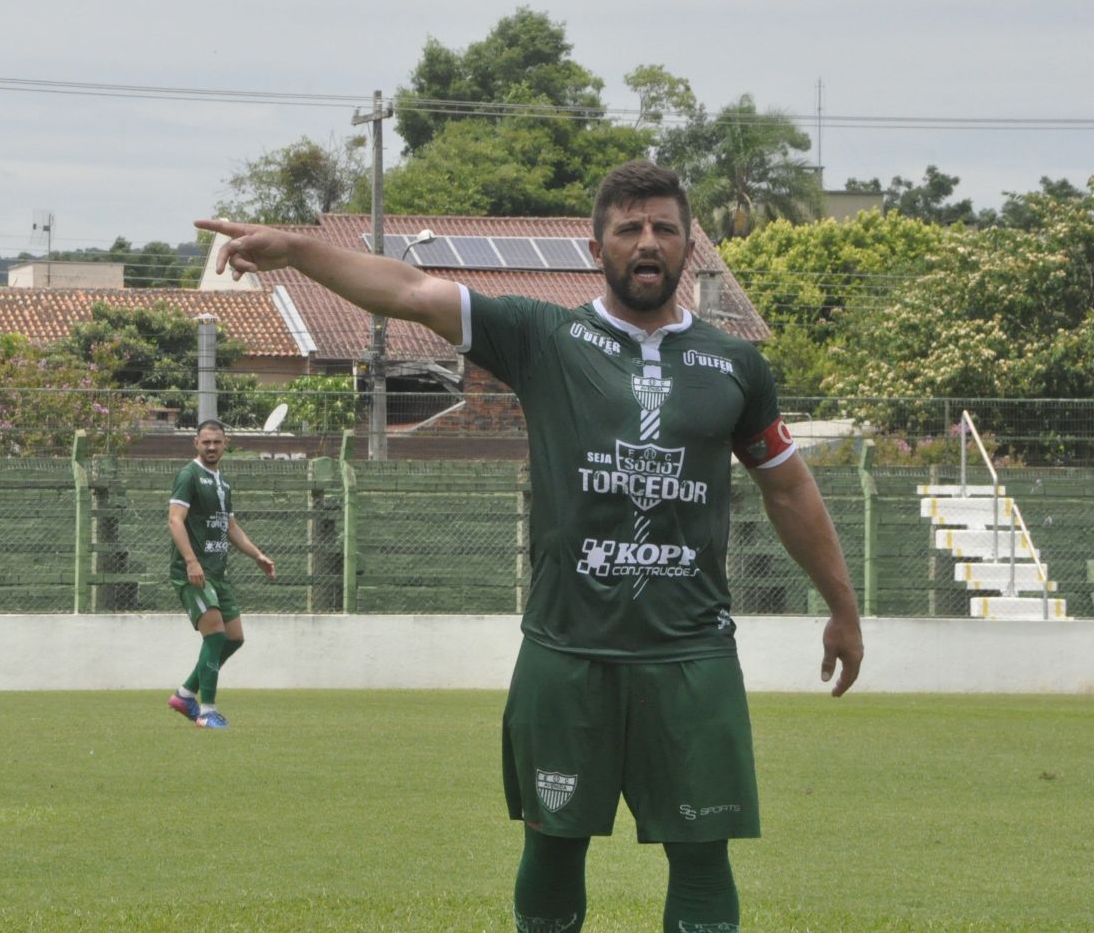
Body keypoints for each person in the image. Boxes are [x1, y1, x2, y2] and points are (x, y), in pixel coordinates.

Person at [197, 160, 863, 929]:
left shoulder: (737, 365)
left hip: (691, 653)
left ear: (688, 248)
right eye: (629, 228)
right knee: (552, 846)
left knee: (705, 851)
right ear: (596, 247)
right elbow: (410, 290)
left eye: (664, 228)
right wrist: (298, 250)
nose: (647, 242)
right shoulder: (546, 335)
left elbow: (788, 486)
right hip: (566, 648)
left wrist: (843, 604)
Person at [165, 418, 275, 730]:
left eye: (217, 442)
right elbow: (175, 520)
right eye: (206, 442)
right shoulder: (188, 475)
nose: (211, 447)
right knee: (214, 635)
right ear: (196, 444)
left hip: (217, 571)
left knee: (234, 638)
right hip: (193, 572)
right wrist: (191, 561)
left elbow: (230, 527)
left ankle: (185, 694)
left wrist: (258, 555)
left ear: (226, 443)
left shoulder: (222, 482)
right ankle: (207, 711)